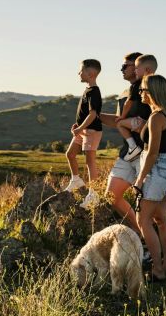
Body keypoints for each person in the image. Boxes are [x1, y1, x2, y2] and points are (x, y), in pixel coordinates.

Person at [132, 74, 166, 281]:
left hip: (154, 169)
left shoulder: (156, 118)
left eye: (143, 89)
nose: (140, 93)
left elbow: (152, 152)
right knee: (162, 219)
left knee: (143, 221)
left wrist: (139, 180)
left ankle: (158, 270)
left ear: (152, 92)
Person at [100, 52, 148, 231]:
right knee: (111, 196)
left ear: (137, 67)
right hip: (128, 152)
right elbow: (120, 121)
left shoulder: (150, 88)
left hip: (147, 153)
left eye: (125, 66)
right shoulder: (124, 93)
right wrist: (94, 116)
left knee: (146, 205)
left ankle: (152, 246)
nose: (121, 69)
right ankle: (140, 235)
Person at [64, 59, 102, 209]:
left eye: (81, 70)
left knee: (90, 162)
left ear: (90, 73)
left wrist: (80, 129)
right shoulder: (87, 90)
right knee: (70, 154)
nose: (78, 73)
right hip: (83, 130)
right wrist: (79, 127)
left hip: (91, 131)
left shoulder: (94, 92)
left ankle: (94, 194)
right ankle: (76, 180)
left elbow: (93, 114)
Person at [115, 54, 158, 161]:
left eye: (137, 68)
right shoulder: (156, 84)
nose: (135, 71)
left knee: (120, 123)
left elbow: (128, 103)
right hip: (150, 124)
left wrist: (122, 117)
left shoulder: (135, 85)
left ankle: (133, 147)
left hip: (139, 122)